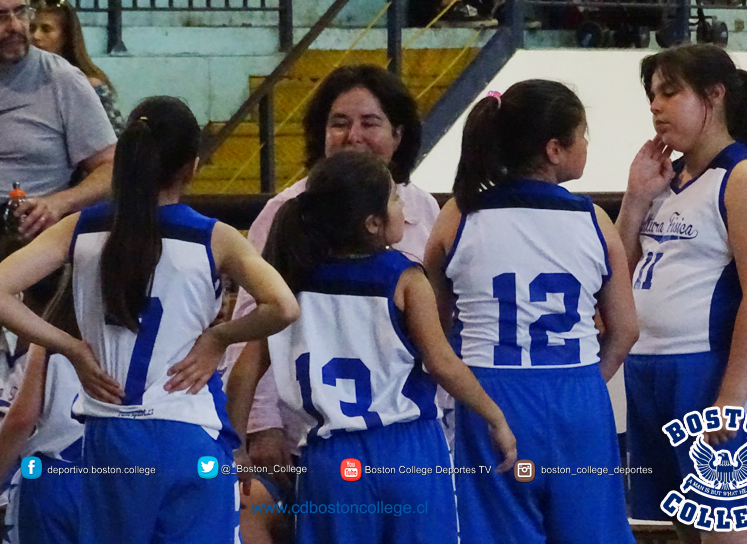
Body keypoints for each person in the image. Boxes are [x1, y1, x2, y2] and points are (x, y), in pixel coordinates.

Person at [0, 96, 299, 544]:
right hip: (190, 434)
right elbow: (283, 306)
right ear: (192, 167)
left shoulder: (81, 228)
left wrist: (69, 346)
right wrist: (218, 337)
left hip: (112, 439)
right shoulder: (213, 237)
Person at [229, 150, 515, 544]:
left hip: (331, 461)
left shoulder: (289, 282)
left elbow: (243, 373)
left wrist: (236, 447)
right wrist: (495, 416)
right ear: (373, 223)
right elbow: (443, 365)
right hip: (408, 452)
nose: (403, 205)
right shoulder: (406, 278)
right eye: (395, 199)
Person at [223, 64, 447, 535]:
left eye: (370, 122)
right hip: (312, 437)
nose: (353, 136)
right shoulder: (285, 213)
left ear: (398, 133)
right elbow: (251, 330)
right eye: (339, 122)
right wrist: (260, 427)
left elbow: (439, 335)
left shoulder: (422, 208)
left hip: (407, 433)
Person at [424, 81, 639, 544]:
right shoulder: (594, 220)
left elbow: (432, 332)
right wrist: (583, 381)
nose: (587, 145)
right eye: (583, 134)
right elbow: (625, 330)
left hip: (489, 392)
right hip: (576, 391)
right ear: (555, 149)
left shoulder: (457, 215)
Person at [615, 44, 747, 544]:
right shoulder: (666, 182)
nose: (655, 106)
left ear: (715, 95)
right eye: (651, 96)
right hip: (650, 372)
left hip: (712, 372)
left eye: (669, 92)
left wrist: (730, 399)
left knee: (727, 533)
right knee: (685, 531)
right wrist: (635, 198)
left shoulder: (746, 175)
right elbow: (615, 277)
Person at [0, 0, 116, 242]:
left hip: (27, 232)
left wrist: (58, 204)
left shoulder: (61, 79)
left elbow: (111, 167)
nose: (15, 26)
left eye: (21, 12)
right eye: (0, 16)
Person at [0, 273, 84, 544]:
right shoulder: (147, 335)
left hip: (53, 478)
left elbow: (21, 419)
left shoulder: (52, 334)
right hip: (119, 477)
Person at [30, 0, 125, 135]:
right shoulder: (19, 82)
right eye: (31, 28)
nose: (36, 36)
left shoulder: (92, 87)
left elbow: (116, 140)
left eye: (46, 29)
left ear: (66, 37)